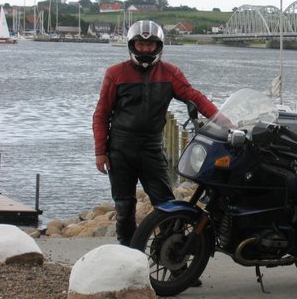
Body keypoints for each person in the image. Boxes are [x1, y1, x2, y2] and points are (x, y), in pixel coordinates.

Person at [92, 20, 219, 247]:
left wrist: (221, 119)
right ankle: (126, 253)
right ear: (132, 45)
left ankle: (172, 255)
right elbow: (101, 114)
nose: (145, 49)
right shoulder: (115, 73)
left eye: (150, 45)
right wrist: (100, 151)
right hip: (120, 148)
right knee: (124, 206)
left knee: (165, 202)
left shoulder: (170, 73)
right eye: (140, 44)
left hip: (151, 147)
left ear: (158, 46)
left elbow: (194, 97)